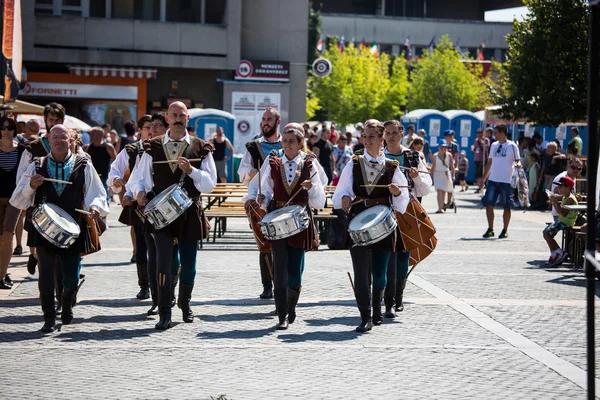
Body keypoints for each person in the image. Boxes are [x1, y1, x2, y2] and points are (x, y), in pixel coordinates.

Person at [10, 124, 109, 333]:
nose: (59, 141)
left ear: (71, 141)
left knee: (71, 274)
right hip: (43, 227)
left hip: (74, 227)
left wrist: (95, 208)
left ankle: (66, 301)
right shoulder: (37, 165)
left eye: (63, 138)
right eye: (54, 137)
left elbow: (98, 193)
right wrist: (31, 187)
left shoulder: (83, 164)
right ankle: (48, 317)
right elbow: (18, 200)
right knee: (45, 273)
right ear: (48, 139)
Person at [128, 101, 217, 330]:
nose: (178, 119)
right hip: (161, 214)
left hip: (190, 212)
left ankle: (185, 304)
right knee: (163, 263)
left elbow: (210, 184)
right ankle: (165, 311)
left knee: (189, 264)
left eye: (182, 115)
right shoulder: (152, 146)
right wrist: (139, 193)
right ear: (167, 118)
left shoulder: (201, 147)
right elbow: (138, 178)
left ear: (188, 119)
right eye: (174, 115)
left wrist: (192, 171)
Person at [245, 123, 325, 329]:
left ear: (300, 144)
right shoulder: (272, 162)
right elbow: (260, 188)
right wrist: (261, 200)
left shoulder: (309, 163)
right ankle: (281, 314)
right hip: (276, 218)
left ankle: (291, 306)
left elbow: (319, 200)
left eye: (292, 141)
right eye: (285, 141)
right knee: (279, 266)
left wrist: (312, 188)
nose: (287, 144)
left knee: (295, 268)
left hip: (300, 220)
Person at [332, 119, 410, 333]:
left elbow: (403, 203)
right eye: (364, 137)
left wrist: (397, 193)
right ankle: (365, 316)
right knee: (360, 271)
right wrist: (345, 199)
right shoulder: (353, 163)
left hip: (384, 222)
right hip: (358, 220)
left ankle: (377, 310)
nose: (366, 140)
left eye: (371, 137)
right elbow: (339, 194)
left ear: (381, 139)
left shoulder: (392, 167)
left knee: (380, 272)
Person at [382, 120, 431, 318]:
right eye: (388, 133)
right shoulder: (378, 155)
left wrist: (417, 177)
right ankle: (384, 296)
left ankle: (397, 298)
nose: (391, 136)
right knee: (382, 255)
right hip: (381, 211)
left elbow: (426, 188)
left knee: (402, 256)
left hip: (406, 212)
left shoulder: (412, 156)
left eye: (395, 132)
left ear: (402, 134)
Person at [16, 102, 66, 278]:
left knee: (63, 246)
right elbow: (22, 176)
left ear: (62, 120)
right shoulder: (34, 146)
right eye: (50, 119)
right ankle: (35, 258)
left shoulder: (71, 142)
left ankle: (62, 283)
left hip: (63, 201)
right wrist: (26, 193)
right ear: (45, 121)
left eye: (57, 119)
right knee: (41, 247)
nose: (53, 123)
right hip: (39, 200)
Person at [237, 107, 282, 299]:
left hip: (281, 200)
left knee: (281, 244)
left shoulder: (287, 143)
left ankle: (281, 282)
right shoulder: (253, 146)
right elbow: (242, 170)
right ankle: (267, 285)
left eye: (269, 119)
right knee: (264, 243)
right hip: (259, 200)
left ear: (277, 122)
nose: (265, 122)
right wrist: (250, 173)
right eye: (264, 119)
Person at [107, 115, 153, 301]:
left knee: (160, 247)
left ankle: (162, 285)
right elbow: (114, 169)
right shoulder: (131, 150)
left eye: (154, 127)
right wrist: (116, 181)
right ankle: (144, 285)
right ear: (140, 130)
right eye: (148, 127)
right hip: (137, 204)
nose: (151, 130)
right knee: (141, 246)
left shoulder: (162, 148)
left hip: (160, 203)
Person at [481, 124, 521, 239]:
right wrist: (484, 177)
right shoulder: (493, 145)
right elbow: (490, 162)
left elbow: (518, 161)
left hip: (506, 181)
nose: (494, 135)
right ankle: (490, 229)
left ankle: (505, 230)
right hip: (493, 179)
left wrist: (518, 165)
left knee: (507, 206)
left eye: (496, 133)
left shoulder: (512, 146)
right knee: (489, 203)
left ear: (503, 133)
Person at [0, 117, 25, 289]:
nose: (6, 130)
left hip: (15, 199)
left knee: (8, 236)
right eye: (3, 127)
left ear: (14, 130)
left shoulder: (23, 151)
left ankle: (1, 276)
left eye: (10, 127)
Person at [543, 176, 577, 266]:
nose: (558, 188)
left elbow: (563, 214)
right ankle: (555, 253)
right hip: (563, 220)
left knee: (547, 232)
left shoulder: (570, 199)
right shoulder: (565, 197)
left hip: (567, 221)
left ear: (568, 188)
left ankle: (559, 252)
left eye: (561, 186)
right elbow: (560, 213)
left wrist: (555, 203)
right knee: (546, 232)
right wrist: (554, 203)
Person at [84, 127, 117, 203]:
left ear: (100, 135)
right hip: (91, 178)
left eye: (94, 134)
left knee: (104, 199)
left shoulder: (108, 147)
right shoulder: (87, 148)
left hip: (104, 178)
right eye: (91, 134)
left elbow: (115, 159)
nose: (91, 136)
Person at [431, 141, 454, 213]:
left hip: (446, 174)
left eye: (444, 147)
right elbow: (433, 166)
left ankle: (443, 207)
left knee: (444, 191)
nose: (443, 148)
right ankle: (439, 208)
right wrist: (430, 176)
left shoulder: (449, 155)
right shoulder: (435, 155)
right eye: (441, 147)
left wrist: (453, 175)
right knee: (439, 191)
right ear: (438, 147)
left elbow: (452, 166)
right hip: (437, 174)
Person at [443, 130, 459, 208]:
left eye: (452, 135)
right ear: (446, 137)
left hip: (451, 167)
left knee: (450, 185)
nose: (451, 137)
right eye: (449, 135)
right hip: (444, 167)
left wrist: (456, 167)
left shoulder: (454, 146)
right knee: (443, 185)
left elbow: (456, 157)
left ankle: (449, 201)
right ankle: (443, 201)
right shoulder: (442, 145)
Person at [471, 128, 489, 193]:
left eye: (480, 133)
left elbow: (486, 148)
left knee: (482, 174)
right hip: (476, 159)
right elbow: (475, 148)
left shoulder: (486, 140)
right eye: (478, 133)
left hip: (483, 159)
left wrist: (481, 141)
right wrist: (473, 148)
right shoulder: (475, 140)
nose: (479, 134)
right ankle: (479, 186)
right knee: (477, 174)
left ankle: (482, 186)